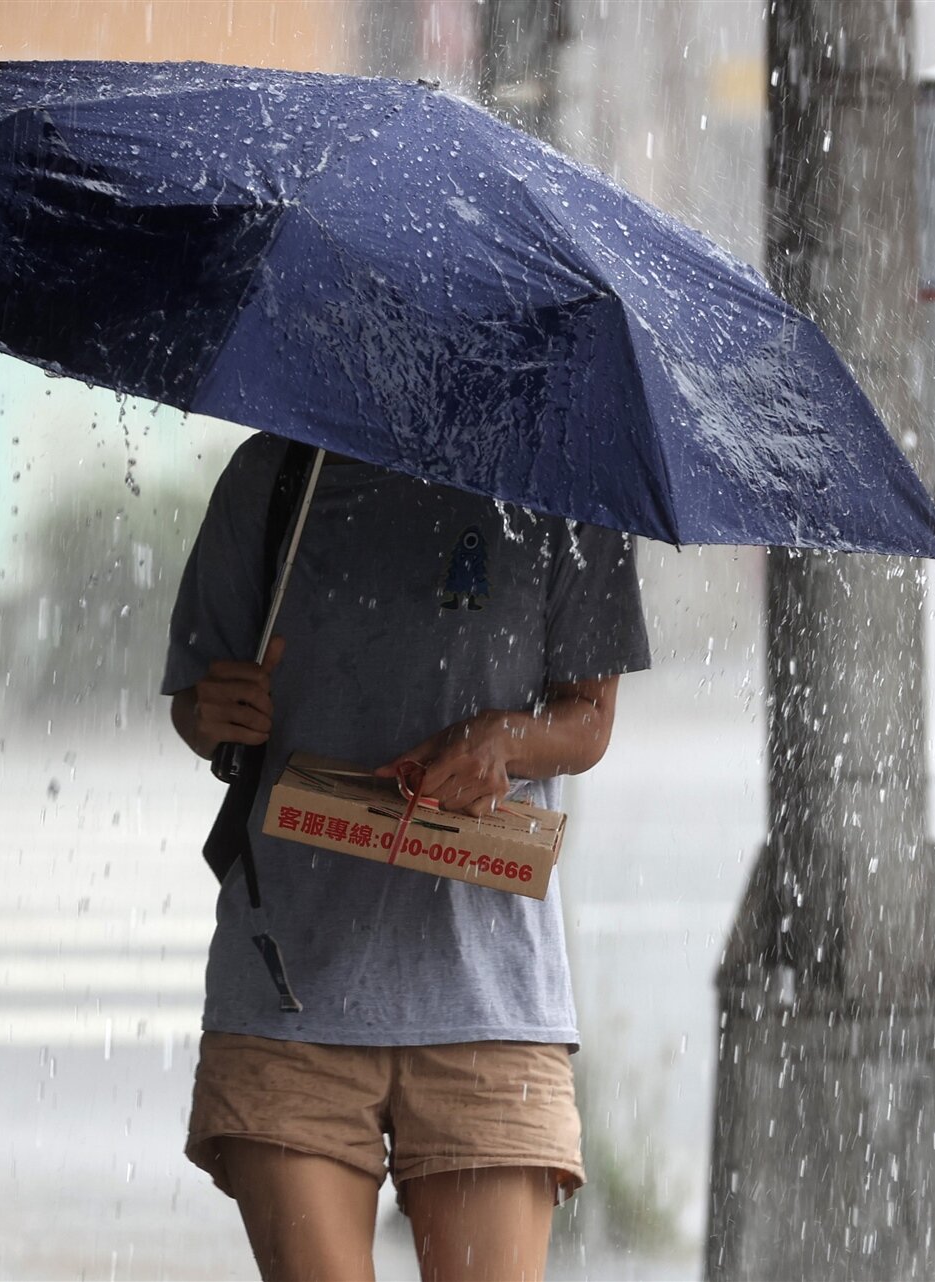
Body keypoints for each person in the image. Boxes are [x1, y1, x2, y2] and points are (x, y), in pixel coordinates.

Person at [164, 434, 651, 1282]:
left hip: (490, 996)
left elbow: (589, 719)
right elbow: (199, 702)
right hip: (290, 991)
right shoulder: (278, 475)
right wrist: (214, 711)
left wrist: (503, 739)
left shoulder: (568, 487)